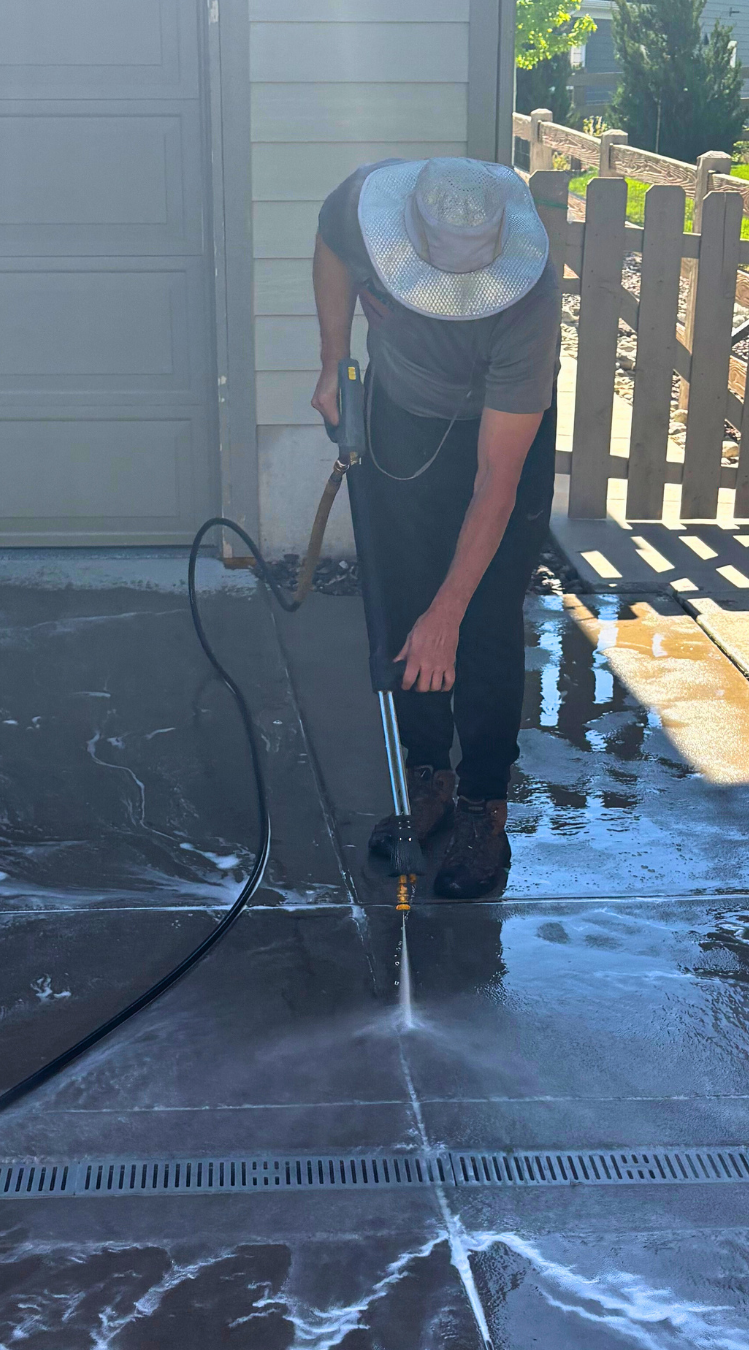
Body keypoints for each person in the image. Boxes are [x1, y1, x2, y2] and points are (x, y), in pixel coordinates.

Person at [312, 157, 561, 899]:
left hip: (497, 434)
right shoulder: (364, 203)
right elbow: (329, 246)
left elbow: (496, 480)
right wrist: (333, 359)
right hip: (400, 418)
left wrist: (448, 612)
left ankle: (484, 803)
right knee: (402, 600)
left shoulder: (530, 298)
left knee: (479, 618)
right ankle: (427, 777)